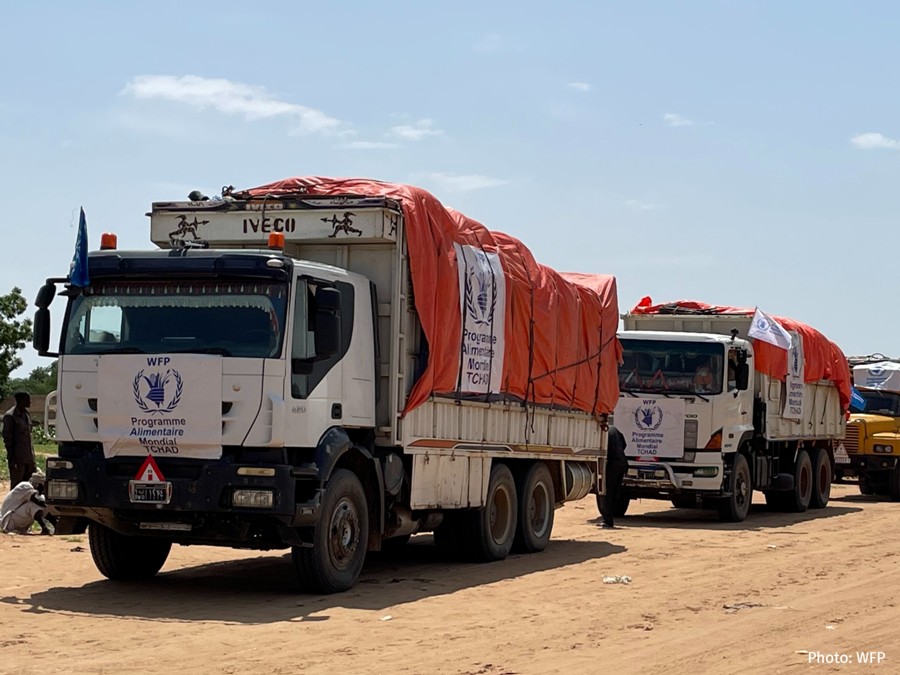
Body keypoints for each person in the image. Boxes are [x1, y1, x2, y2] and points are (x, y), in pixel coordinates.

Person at [1, 470, 53, 535]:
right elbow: (37, 501)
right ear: (38, 484)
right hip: (9, 520)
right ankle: (44, 528)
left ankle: (55, 526)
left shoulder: (31, 488)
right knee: (33, 505)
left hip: (15, 517)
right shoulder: (25, 486)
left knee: (44, 505)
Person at [3, 391, 36, 487]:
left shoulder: (26, 415)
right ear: (21, 400)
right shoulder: (10, 416)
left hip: (28, 458)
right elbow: (7, 439)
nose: (30, 402)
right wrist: (13, 460)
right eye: (28, 400)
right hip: (18, 459)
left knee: (29, 487)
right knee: (17, 488)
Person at [599, 425, 629, 529]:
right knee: (615, 492)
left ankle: (607, 521)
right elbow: (624, 444)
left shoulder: (603, 432)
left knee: (607, 493)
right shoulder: (614, 429)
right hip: (622, 462)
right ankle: (609, 519)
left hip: (612, 464)